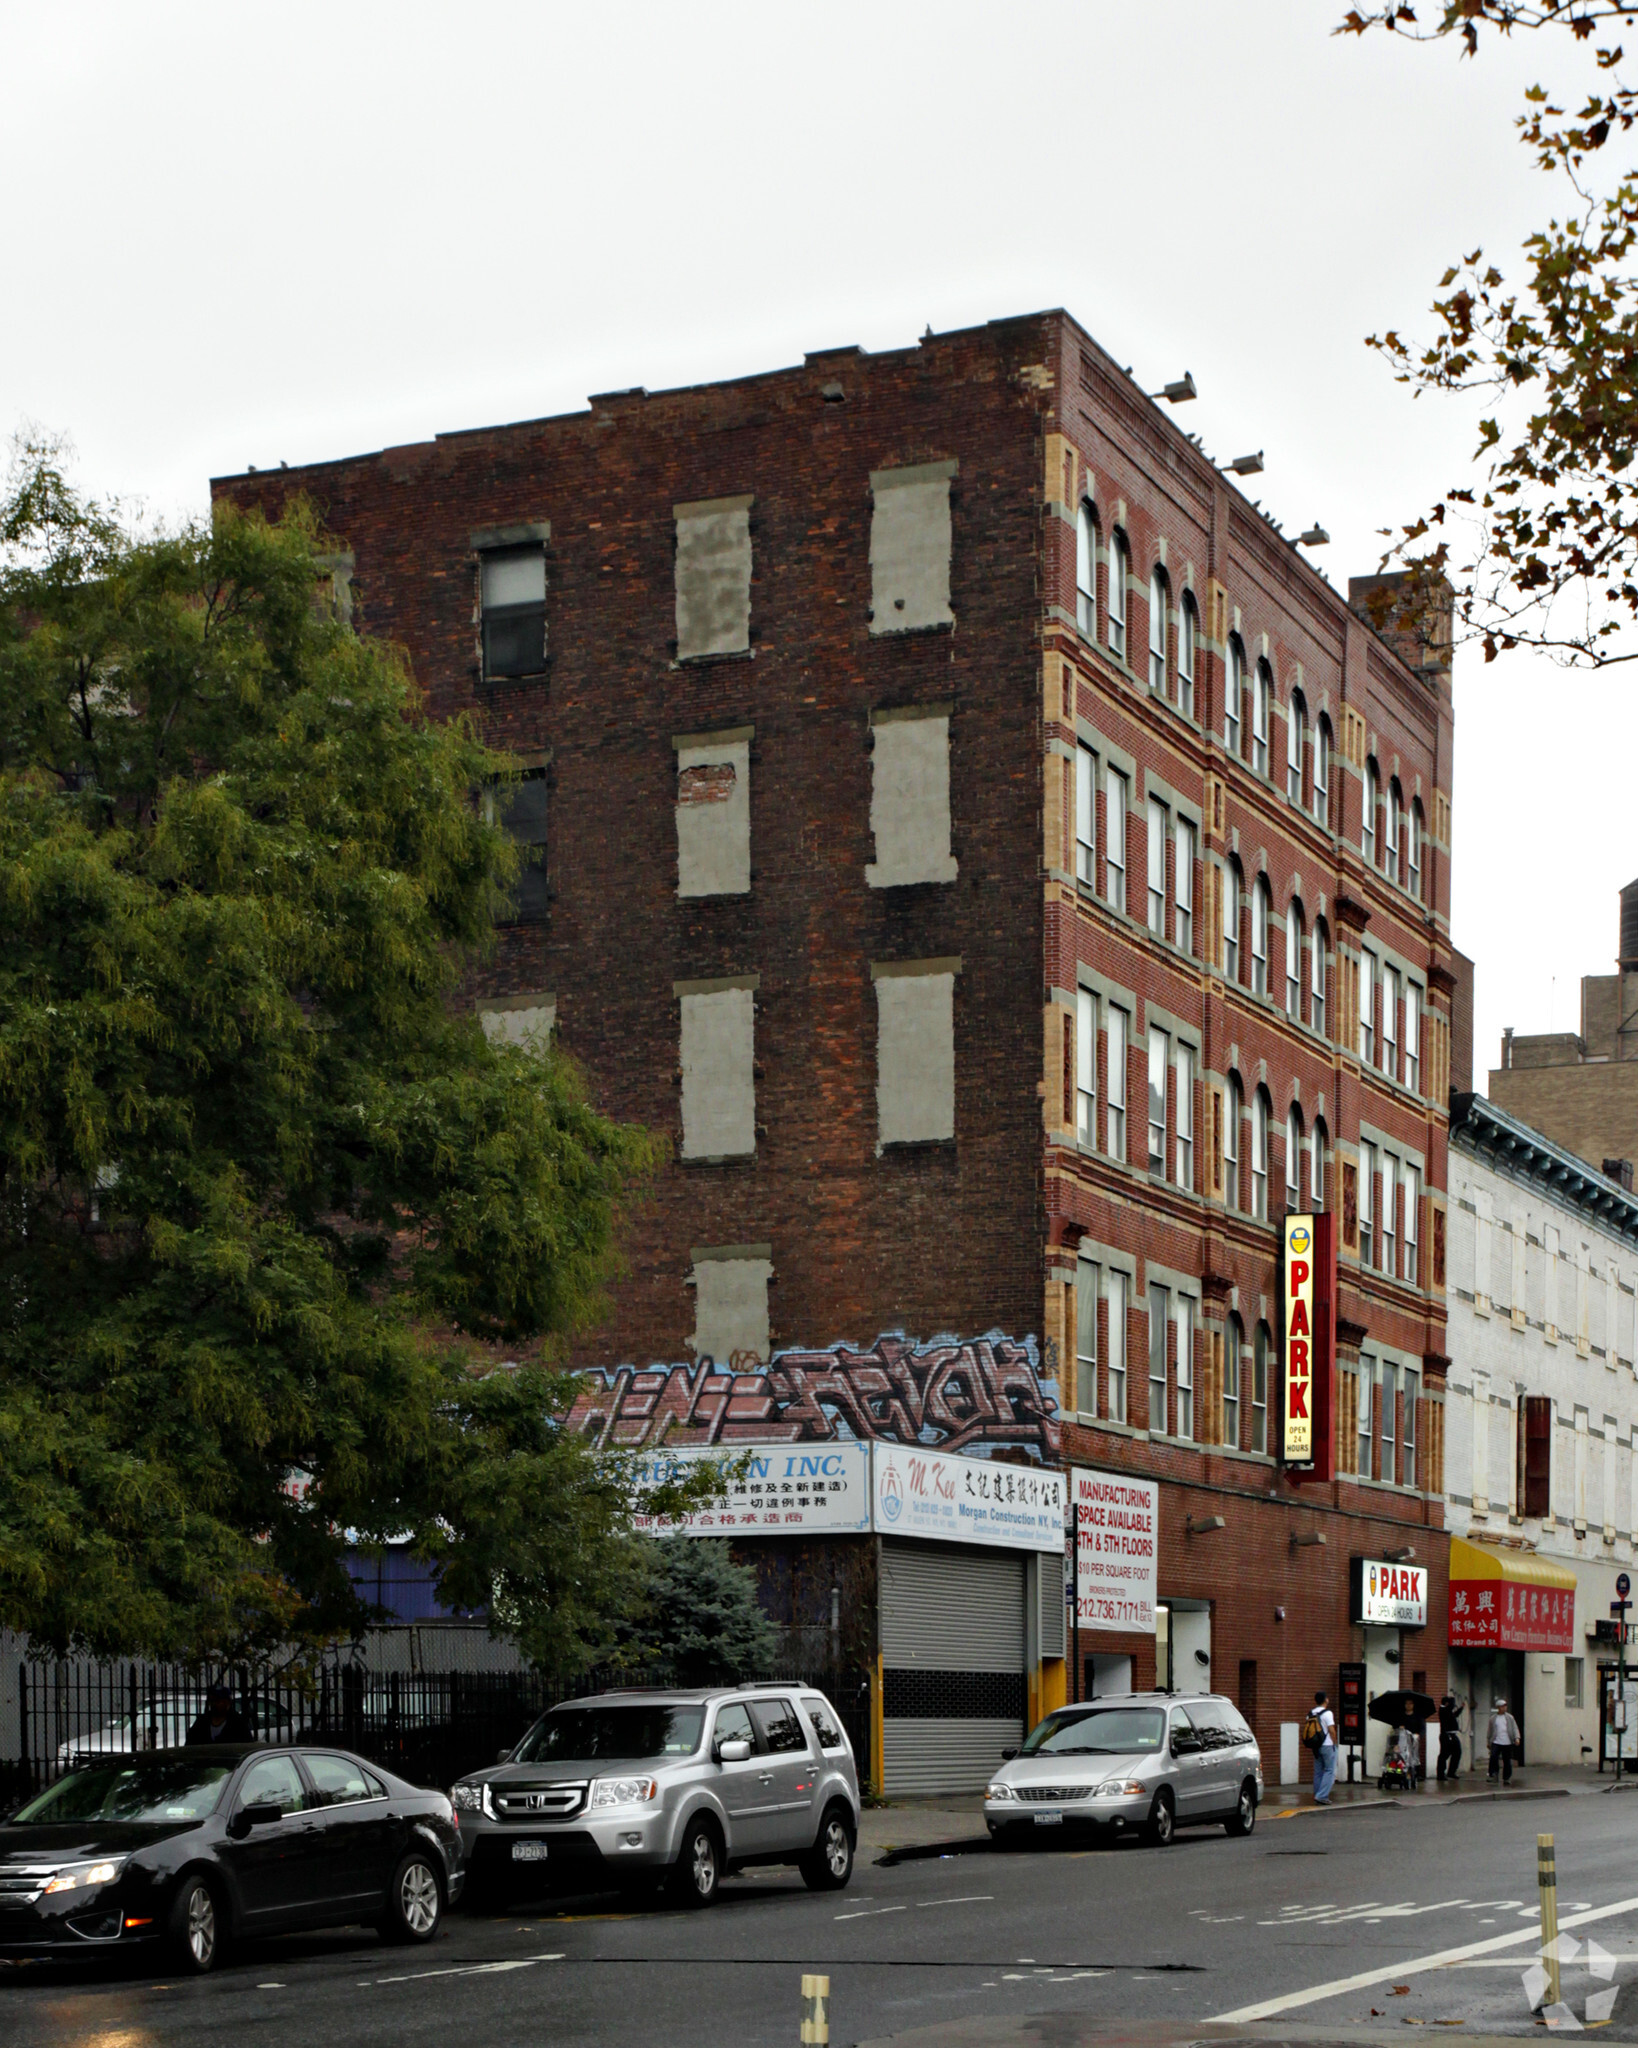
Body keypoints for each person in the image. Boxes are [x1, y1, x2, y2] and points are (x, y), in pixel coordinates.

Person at [185, 1681, 254, 1745]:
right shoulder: (202, 1722)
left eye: (217, 1701)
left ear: (227, 1702)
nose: (214, 1704)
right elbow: (189, 1745)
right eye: (212, 1700)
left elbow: (246, 1746)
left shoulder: (238, 1723)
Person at [1309, 1688, 1338, 1804]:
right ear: (1326, 1700)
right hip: (1327, 1745)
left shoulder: (1310, 1713)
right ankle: (1322, 1796)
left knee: (1318, 1771)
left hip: (1316, 1746)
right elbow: (1331, 1730)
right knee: (1329, 1770)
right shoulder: (1328, 1713)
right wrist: (1334, 1743)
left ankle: (1317, 1794)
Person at [1487, 1696, 1522, 1785]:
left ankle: (1506, 1777)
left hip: (1507, 1742)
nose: (1504, 1708)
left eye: (1505, 1706)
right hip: (1496, 1741)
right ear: (1498, 1708)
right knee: (1493, 1757)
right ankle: (1494, 1774)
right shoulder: (1493, 1718)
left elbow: (1514, 1728)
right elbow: (1490, 1730)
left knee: (1507, 1760)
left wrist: (1516, 1738)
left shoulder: (1510, 1717)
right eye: (1502, 1706)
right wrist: (1488, 1741)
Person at [1437, 1692, 1464, 1784]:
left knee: (1457, 1752)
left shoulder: (1448, 1711)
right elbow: (1449, 1712)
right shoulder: (1443, 1710)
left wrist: (1461, 1708)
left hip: (1452, 1735)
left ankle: (1451, 1772)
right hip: (1446, 1736)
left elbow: (1454, 1714)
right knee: (1444, 1755)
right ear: (1447, 1704)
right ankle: (1440, 1774)